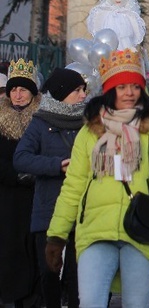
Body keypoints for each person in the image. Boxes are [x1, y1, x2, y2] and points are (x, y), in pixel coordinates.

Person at [45, 48, 149, 307]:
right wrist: (57, 235)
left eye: (134, 86)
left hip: (143, 231)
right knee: (90, 302)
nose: (129, 93)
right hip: (95, 230)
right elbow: (73, 186)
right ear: (109, 91)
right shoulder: (89, 132)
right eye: (121, 86)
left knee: (136, 304)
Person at [13, 68, 87, 308]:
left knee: (79, 277)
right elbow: (21, 158)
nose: (83, 95)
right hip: (49, 208)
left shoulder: (90, 122)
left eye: (84, 89)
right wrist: (57, 165)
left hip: (82, 209)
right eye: (77, 90)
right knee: (48, 272)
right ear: (62, 92)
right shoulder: (40, 122)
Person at [0, 58, 41, 308]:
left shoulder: (42, 121)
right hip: (6, 196)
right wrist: (15, 175)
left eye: (23, 89)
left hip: (35, 196)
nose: (17, 94)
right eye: (13, 89)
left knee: (32, 251)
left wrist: (34, 172)